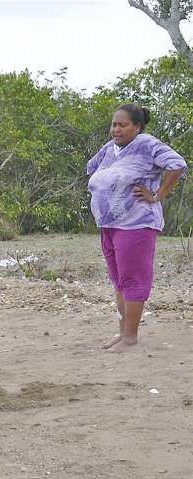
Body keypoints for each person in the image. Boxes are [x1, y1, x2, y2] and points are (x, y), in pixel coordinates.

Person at [87, 104, 187, 352]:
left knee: (133, 280)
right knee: (119, 281)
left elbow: (177, 164)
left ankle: (130, 338)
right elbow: (92, 169)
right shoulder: (110, 148)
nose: (116, 129)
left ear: (137, 126)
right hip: (108, 224)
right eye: (114, 124)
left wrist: (158, 194)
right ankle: (123, 334)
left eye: (122, 125)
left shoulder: (146, 144)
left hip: (136, 224)